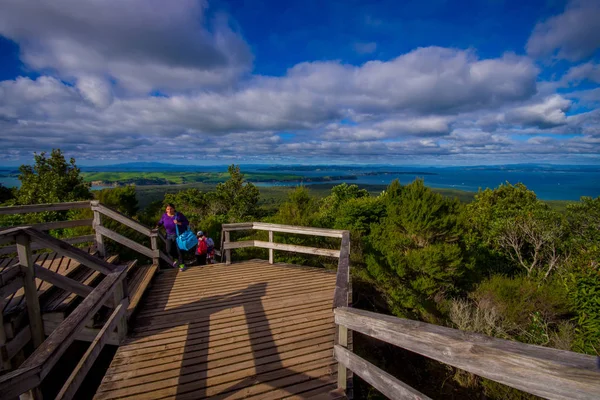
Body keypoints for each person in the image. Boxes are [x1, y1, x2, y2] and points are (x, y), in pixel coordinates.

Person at [155, 203, 189, 270]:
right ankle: (176, 259)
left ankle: (182, 265)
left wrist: (178, 223)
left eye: (171, 209)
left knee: (179, 250)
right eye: (168, 209)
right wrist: (156, 227)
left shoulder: (179, 215)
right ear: (166, 209)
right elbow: (160, 222)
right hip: (168, 235)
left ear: (174, 209)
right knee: (168, 250)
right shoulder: (164, 216)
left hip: (178, 235)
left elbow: (186, 222)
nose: (169, 210)